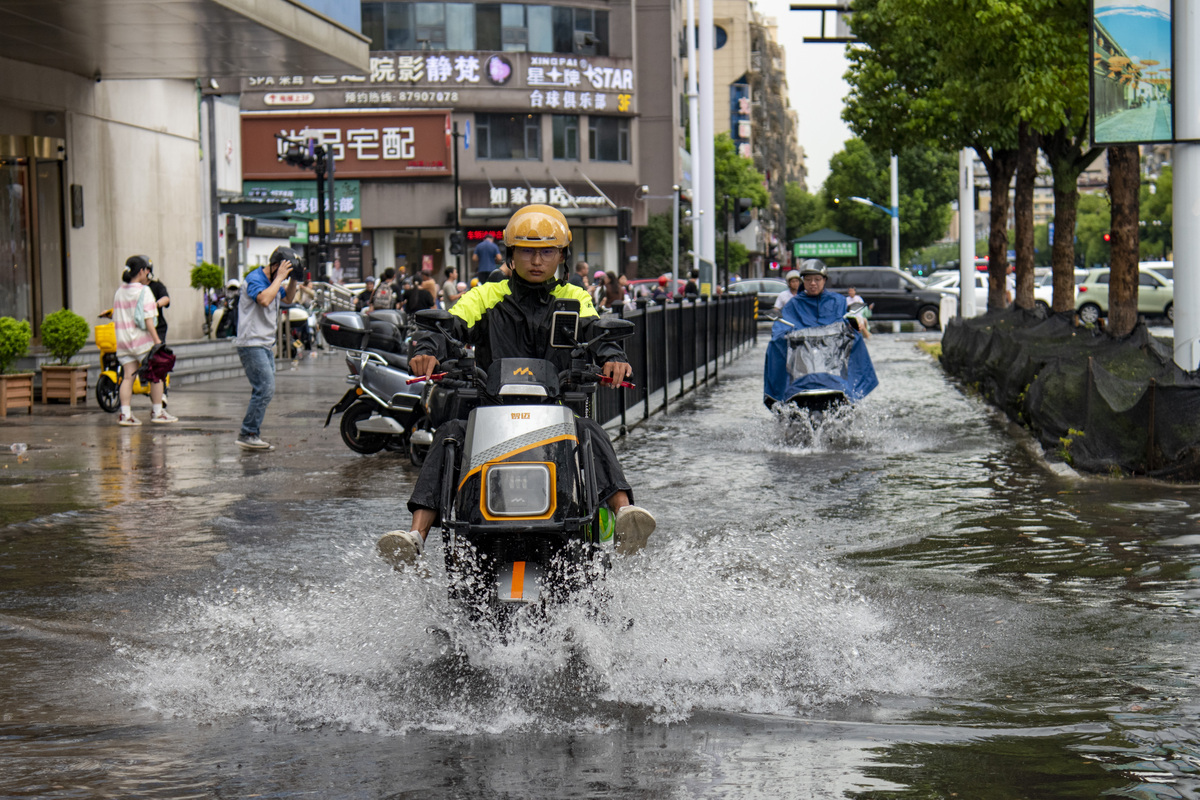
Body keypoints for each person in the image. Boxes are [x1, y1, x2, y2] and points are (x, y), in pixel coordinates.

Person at [376, 204, 656, 568]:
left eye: (546, 251)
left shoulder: (575, 297)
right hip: (490, 415)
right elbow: (446, 326)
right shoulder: (485, 295)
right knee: (449, 433)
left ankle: (625, 515)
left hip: (556, 417)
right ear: (510, 254)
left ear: (561, 255)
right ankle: (416, 535)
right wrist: (427, 349)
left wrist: (613, 356)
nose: (536, 260)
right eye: (526, 250)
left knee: (589, 430)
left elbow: (597, 332)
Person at [233, 246, 299, 451]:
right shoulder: (255, 279)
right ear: (276, 266)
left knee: (264, 389)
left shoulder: (273, 281)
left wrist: (294, 279)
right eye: (285, 270)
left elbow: (287, 299)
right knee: (265, 388)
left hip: (265, 344)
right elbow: (263, 299)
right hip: (251, 343)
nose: (285, 276)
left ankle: (251, 432)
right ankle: (248, 433)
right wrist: (279, 278)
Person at [112, 255, 176, 426]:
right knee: (156, 377)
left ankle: (125, 415)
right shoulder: (144, 291)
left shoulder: (119, 291)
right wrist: (157, 342)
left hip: (124, 342)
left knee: (127, 377)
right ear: (141, 271)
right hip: (142, 343)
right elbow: (148, 319)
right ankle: (157, 411)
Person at [147, 270, 171, 343]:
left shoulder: (157, 286)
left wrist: (155, 305)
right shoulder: (134, 289)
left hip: (158, 326)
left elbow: (166, 299)